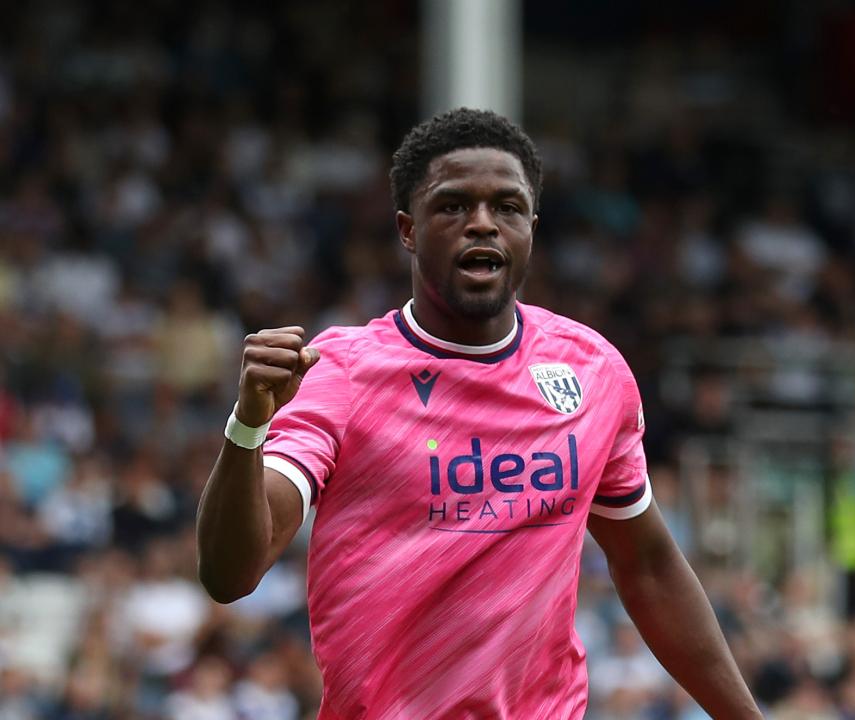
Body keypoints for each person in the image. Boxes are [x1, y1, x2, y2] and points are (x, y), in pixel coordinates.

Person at [197, 107, 762, 719]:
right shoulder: (340, 372)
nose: (483, 225)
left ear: (532, 229)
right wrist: (248, 427)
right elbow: (231, 573)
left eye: (507, 208)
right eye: (453, 206)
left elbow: (648, 566)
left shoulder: (593, 372)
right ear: (408, 229)